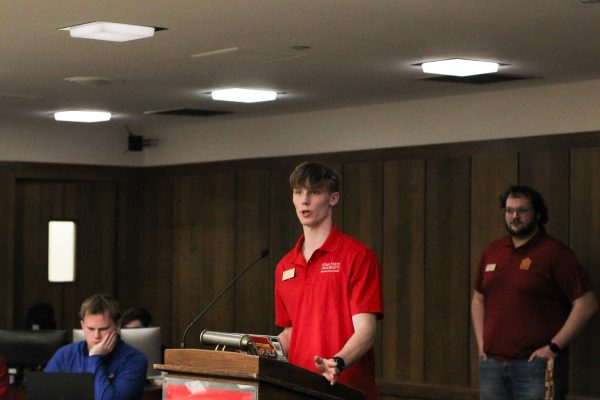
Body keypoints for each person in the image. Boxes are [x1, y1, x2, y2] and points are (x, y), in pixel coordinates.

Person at [471, 185, 598, 400]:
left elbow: (587, 303)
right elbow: (478, 298)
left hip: (536, 367)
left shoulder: (555, 253)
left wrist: (553, 347)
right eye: (509, 210)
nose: (514, 217)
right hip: (492, 365)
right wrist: (482, 344)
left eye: (522, 211)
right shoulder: (492, 251)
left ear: (538, 214)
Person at [275, 161, 383, 400]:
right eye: (298, 192)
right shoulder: (284, 266)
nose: (304, 200)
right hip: (298, 388)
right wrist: (255, 352)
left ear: (333, 198)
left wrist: (337, 362)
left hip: (347, 389)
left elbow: (366, 330)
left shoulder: (357, 256)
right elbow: (292, 332)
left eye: (314, 192)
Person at [45, 294, 148, 400]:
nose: (96, 336)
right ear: (82, 325)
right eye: (90, 328)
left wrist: (94, 358)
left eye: (103, 329)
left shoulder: (135, 359)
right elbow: (44, 394)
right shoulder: (64, 355)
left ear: (117, 325)